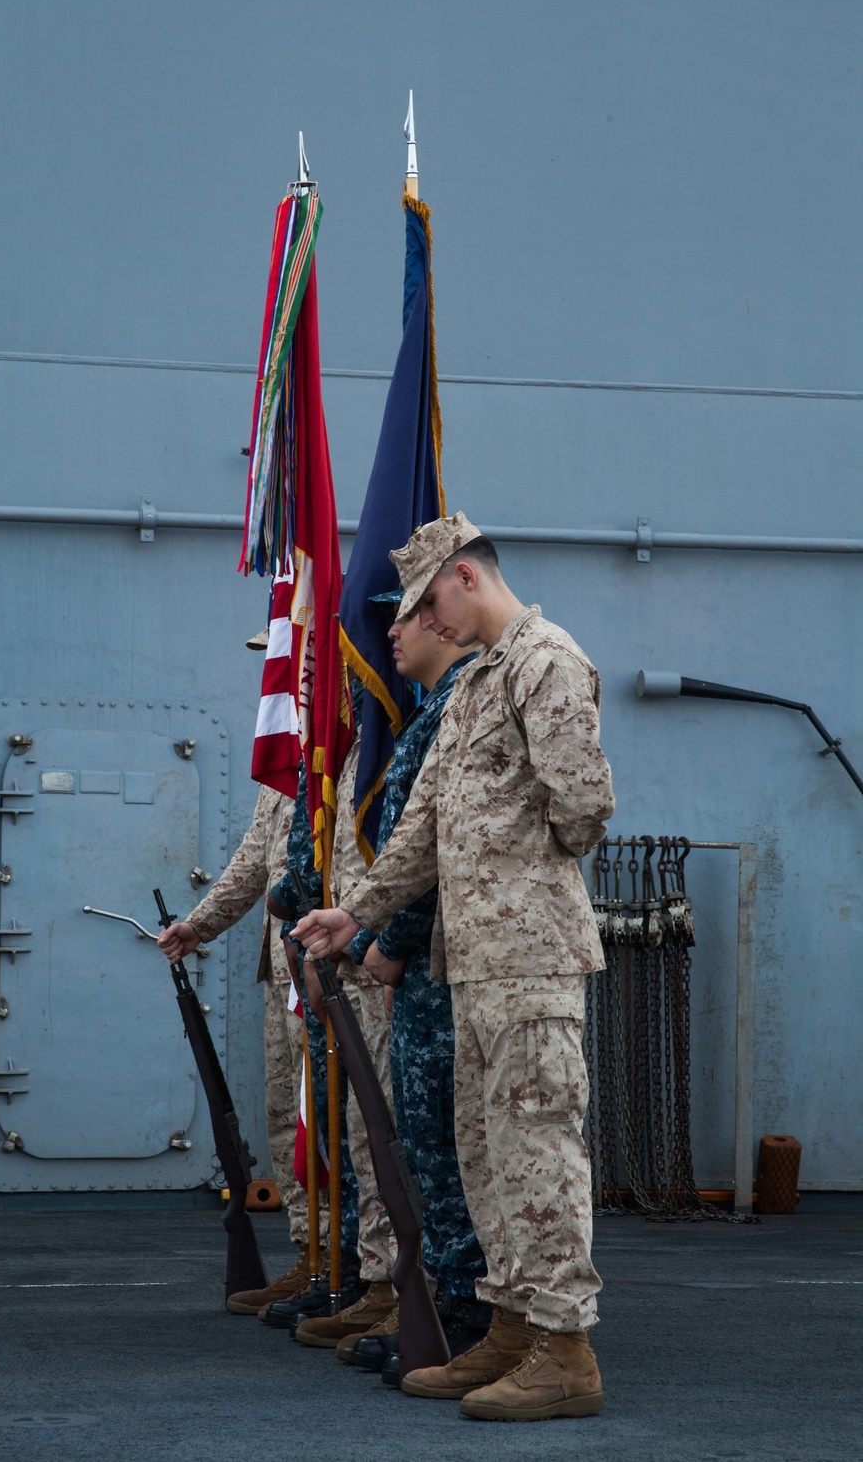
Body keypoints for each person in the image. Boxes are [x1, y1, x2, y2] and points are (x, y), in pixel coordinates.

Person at [293, 513, 615, 1423]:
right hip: (470, 967)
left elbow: (585, 807)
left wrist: (522, 870)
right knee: (488, 1161)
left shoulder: (547, 660)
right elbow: (421, 831)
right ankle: (511, 1331)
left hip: (531, 960)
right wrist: (355, 912)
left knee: (540, 1152)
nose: (426, 619)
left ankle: (566, 1351)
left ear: (467, 578)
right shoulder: (475, 686)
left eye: (431, 598)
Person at [346, 590, 489, 1383]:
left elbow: (438, 843)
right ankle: (447, 1303)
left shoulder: (451, 709)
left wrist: (391, 940)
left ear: (439, 617)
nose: (389, 635)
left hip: (440, 964)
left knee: (444, 1143)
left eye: (397, 618)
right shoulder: (428, 712)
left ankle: (467, 1315)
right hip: (426, 961)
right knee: (427, 1141)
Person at [157, 628, 318, 1316]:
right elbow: (257, 856)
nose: (280, 676)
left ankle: (363, 1268)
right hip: (282, 969)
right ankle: (314, 1254)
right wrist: (199, 924)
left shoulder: (351, 749)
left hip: (327, 966)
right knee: (287, 1116)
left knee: (339, 1121)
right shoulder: (286, 758)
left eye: (291, 660)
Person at [270, 680, 398, 1352]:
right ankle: (358, 1277)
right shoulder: (331, 751)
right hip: (337, 958)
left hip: (381, 967)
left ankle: (402, 1290)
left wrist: (385, 944)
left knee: (390, 1139)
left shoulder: (386, 733)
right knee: (350, 1135)